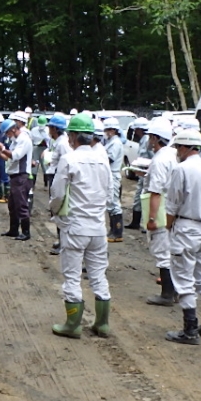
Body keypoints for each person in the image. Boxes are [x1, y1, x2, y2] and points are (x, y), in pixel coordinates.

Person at [49, 113, 112, 338]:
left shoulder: (70, 159)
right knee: (98, 275)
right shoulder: (103, 160)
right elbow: (110, 192)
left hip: (75, 226)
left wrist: (55, 211)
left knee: (72, 276)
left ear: (73, 137)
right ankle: (102, 323)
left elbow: (57, 193)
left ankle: (73, 324)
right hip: (97, 227)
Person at [164, 129, 201, 345]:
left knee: (184, 278)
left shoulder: (181, 169)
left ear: (186, 147)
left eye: (178, 147)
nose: (177, 151)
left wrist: (168, 228)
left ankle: (189, 330)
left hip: (187, 226)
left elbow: (173, 203)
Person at [143, 118, 178, 306]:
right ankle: (175, 291)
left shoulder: (159, 160)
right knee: (172, 251)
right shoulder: (174, 155)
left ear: (156, 138)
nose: (149, 140)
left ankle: (167, 295)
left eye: (150, 137)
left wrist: (151, 218)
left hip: (163, 207)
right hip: (175, 208)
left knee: (162, 252)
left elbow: (155, 192)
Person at [0, 112, 33, 241]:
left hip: (21, 175)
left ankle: (26, 232)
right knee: (12, 204)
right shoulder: (15, 140)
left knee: (21, 204)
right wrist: (0, 151)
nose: (7, 136)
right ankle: (14, 229)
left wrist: (2, 148)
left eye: (7, 133)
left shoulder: (24, 139)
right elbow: (8, 157)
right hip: (14, 175)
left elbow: (15, 155)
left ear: (13, 129)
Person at [46, 114, 72, 254]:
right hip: (54, 176)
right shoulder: (57, 142)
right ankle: (60, 240)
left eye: (50, 127)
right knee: (56, 212)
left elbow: (67, 162)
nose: (49, 130)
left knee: (60, 211)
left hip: (59, 178)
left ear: (55, 129)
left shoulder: (63, 144)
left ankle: (64, 243)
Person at [125, 117, 153, 230]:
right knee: (138, 197)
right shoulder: (143, 140)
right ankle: (136, 222)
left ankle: (142, 223)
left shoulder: (147, 141)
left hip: (146, 174)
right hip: (142, 174)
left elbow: (152, 157)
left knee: (144, 198)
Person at [103, 117, 124, 242]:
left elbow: (109, 159)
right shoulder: (111, 142)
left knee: (114, 204)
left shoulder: (115, 143)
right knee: (111, 203)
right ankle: (113, 230)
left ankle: (117, 232)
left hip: (114, 174)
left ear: (112, 130)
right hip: (110, 174)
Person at [30, 114, 50, 189]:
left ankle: (46, 184)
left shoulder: (48, 130)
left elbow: (50, 140)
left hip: (45, 149)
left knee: (45, 167)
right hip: (36, 148)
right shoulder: (34, 130)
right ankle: (32, 185)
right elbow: (31, 140)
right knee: (34, 167)